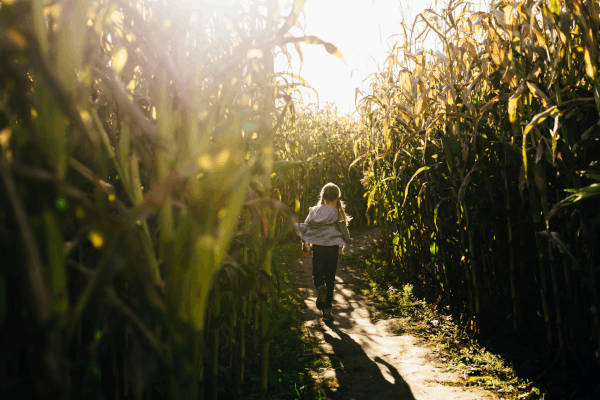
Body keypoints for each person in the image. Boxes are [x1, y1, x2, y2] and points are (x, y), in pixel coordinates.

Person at [296, 182, 351, 321]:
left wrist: (304, 243)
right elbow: (344, 230)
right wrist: (346, 241)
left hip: (318, 248)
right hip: (332, 249)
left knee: (317, 275)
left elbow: (306, 227)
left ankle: (320, 287)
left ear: (323, 197)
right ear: (337, 198)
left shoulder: (314, 211)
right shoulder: (337, 213)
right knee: (330, 279)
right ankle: (327, 312)